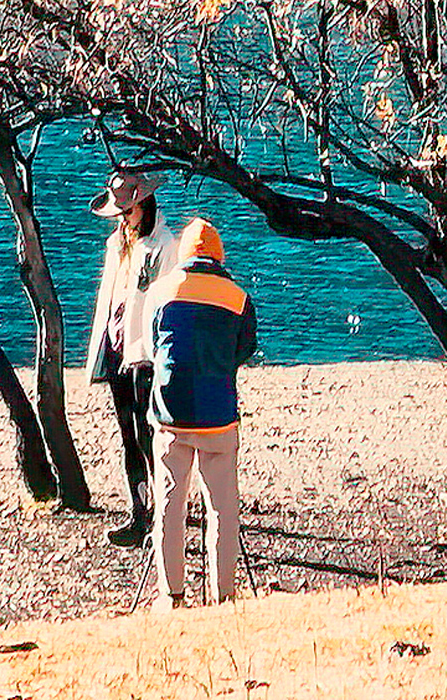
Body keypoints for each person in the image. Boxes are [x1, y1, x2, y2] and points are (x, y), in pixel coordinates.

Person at [142, 217, 258, 608]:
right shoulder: (238, 298)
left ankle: (172, 595)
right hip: (218, 413)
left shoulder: (160, 292)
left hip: (170, 412)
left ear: (183, 256)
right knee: (223, 509)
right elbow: (243, 351)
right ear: (218, 257)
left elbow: (152, 348)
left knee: (170, 506)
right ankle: (223, 596)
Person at [86, 168, 173, 547]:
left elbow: (164, 303)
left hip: (145, 353)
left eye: (127, 211)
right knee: (128, 435)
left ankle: (163, 515)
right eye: (120, 213)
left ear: (144, 205)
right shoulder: (117, 244)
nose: (123, 218)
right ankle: (140, 511)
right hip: (117, 346)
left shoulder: (163, 246)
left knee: (147, 434)